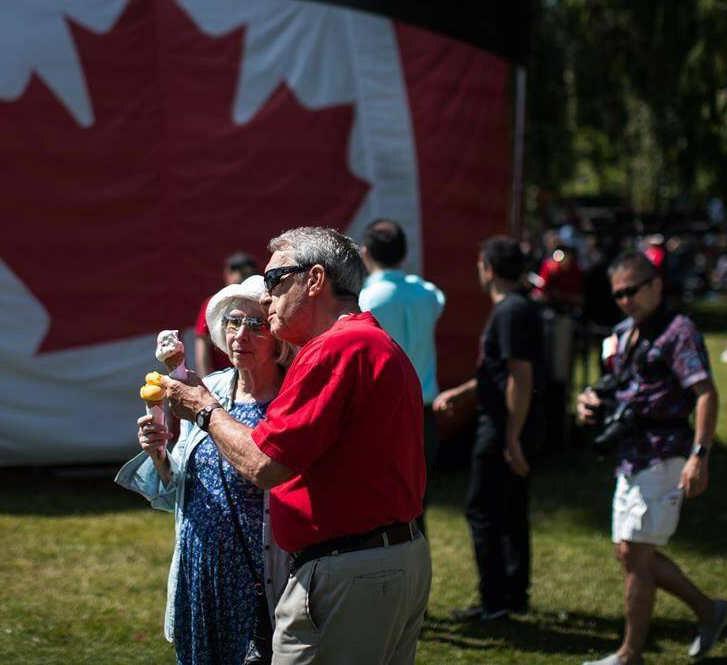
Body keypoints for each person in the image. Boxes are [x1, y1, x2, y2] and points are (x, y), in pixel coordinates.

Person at [164, 226, 430, 664]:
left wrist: (204, 409)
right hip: (383, 561)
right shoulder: (365, 341)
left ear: (315, 280)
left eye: (274, 280)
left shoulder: (336, 349)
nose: (265, 298)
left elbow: (266, 463)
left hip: (349, 571)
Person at [116, 276, 293, 665]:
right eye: (232, 322)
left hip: (259, 578)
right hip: (198, 570)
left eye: (255, 324)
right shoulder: (206, 389)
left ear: (278, 337)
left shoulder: (289, 402)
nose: (239, 335)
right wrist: (159, 452)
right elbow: (178, 486)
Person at [577, 251, 727, 665]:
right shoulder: (626, 331)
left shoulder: (678, 332)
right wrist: (590, 397)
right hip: (630, 454)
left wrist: (700, 454)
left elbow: (706, 394)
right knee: (630, 552)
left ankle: (630, 654)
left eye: (633, 291)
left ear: (657, 285)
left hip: (665, 453)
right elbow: (618, 383)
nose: (625, 300)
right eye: (618, 294)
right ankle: (708, 610)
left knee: (635, 553)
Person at [434, 236, 545, 621]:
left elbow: (520, 376)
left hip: (501, 428)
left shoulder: (511, 312)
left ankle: (495, 600)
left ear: (490, 269)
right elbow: (496, 372)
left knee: (482, 510)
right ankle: (514, 594)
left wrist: (512, 436)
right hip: (504, 424)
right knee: (511, 509)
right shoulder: (513, 309)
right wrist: (462, 394)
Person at [358, 217, 446, 536]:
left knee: (384, 507)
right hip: (424, 414)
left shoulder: (364, 300)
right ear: (404, 253)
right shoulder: (428, 294)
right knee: (418, 504)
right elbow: (436, 297)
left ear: (366, 253)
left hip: (385, 414)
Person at [194, 252, 260, 376]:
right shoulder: (214, 304)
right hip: (222, 378)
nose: (243, 279)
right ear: (227, 274)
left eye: (248, 274)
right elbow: (202, 344)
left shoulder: (261, 302)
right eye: (239, 274)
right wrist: (206, 380)